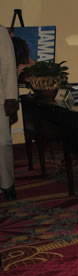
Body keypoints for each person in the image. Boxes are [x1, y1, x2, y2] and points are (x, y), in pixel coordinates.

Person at [1, 26, 18, 201]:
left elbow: (8, 66)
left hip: (0, 99)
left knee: (2, 143)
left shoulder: (0, 33)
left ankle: (7, 184)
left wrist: (11, 97)